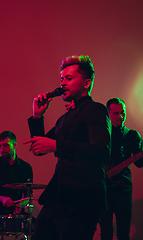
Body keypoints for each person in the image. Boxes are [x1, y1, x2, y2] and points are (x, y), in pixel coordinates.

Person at [23, 55, 111, 240]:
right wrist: (38, 116)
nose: (63, 83)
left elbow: (102, 151)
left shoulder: (95, 109)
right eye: (62, 79)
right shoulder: (64, 118)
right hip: (58, 198)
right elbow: (38, 148)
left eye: (69, 78)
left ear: (86, 83)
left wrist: (56, 145)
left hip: (82, 201)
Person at [99, 97, 143, 240]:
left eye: (123, 112)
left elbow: (139, 162)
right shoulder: (100, 135)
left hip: (123, 189)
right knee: (105, 232)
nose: (120, 116)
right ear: (108, 113)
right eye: (116, 113)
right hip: (103, 189)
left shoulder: (132, 135)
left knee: (124, 232)